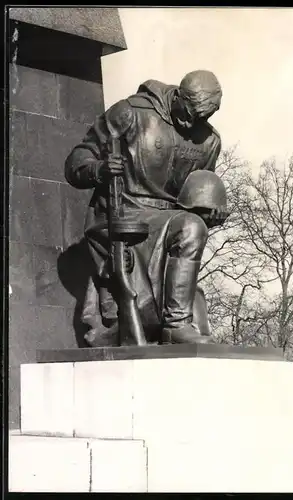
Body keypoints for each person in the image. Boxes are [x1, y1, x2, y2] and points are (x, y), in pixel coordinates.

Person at [65, 70, 228, 346]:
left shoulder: (210, 141)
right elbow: (76, 161)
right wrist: (99, 169)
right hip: (124, 214)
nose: (190, 124)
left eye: (200, 119)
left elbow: (195, 198)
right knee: (189, 226)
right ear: (177, 96)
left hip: (171, 221)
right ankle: (176, 324)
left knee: (192, 225)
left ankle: (175, 323)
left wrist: (209, 213)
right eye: (187, 113)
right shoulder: (131, 113)